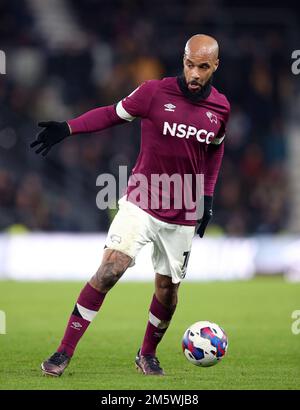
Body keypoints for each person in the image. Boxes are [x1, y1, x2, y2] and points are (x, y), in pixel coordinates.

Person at [31, 34, 230, 376]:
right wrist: (68, 128)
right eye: (189, 64)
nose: (194, 73)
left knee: (167, 291)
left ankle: (147, 354)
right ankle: (63, 351)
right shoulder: (153, 92)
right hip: (142, 199)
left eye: (202, 67)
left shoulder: (221, 108)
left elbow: (215, 151)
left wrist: (207, 198)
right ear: (182, 60)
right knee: (111, 268)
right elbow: (111, 114)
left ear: (214, 66)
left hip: (183, 211)